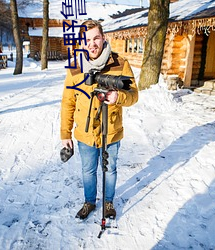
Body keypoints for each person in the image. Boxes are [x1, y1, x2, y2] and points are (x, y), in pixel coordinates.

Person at [60, 20, 138, 220]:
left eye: (96, 38)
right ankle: (89, 202)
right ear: (82, 42)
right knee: (88, 170)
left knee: (110, 168)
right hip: (85, 133)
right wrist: (65, 134)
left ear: (103, 38)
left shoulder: (120, 64)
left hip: (111, 130)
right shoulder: (76, 67)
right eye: (87, 40)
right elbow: (68, 102)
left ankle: (109, 202)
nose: (92, 44)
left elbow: (134, 95)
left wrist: (118, 97)